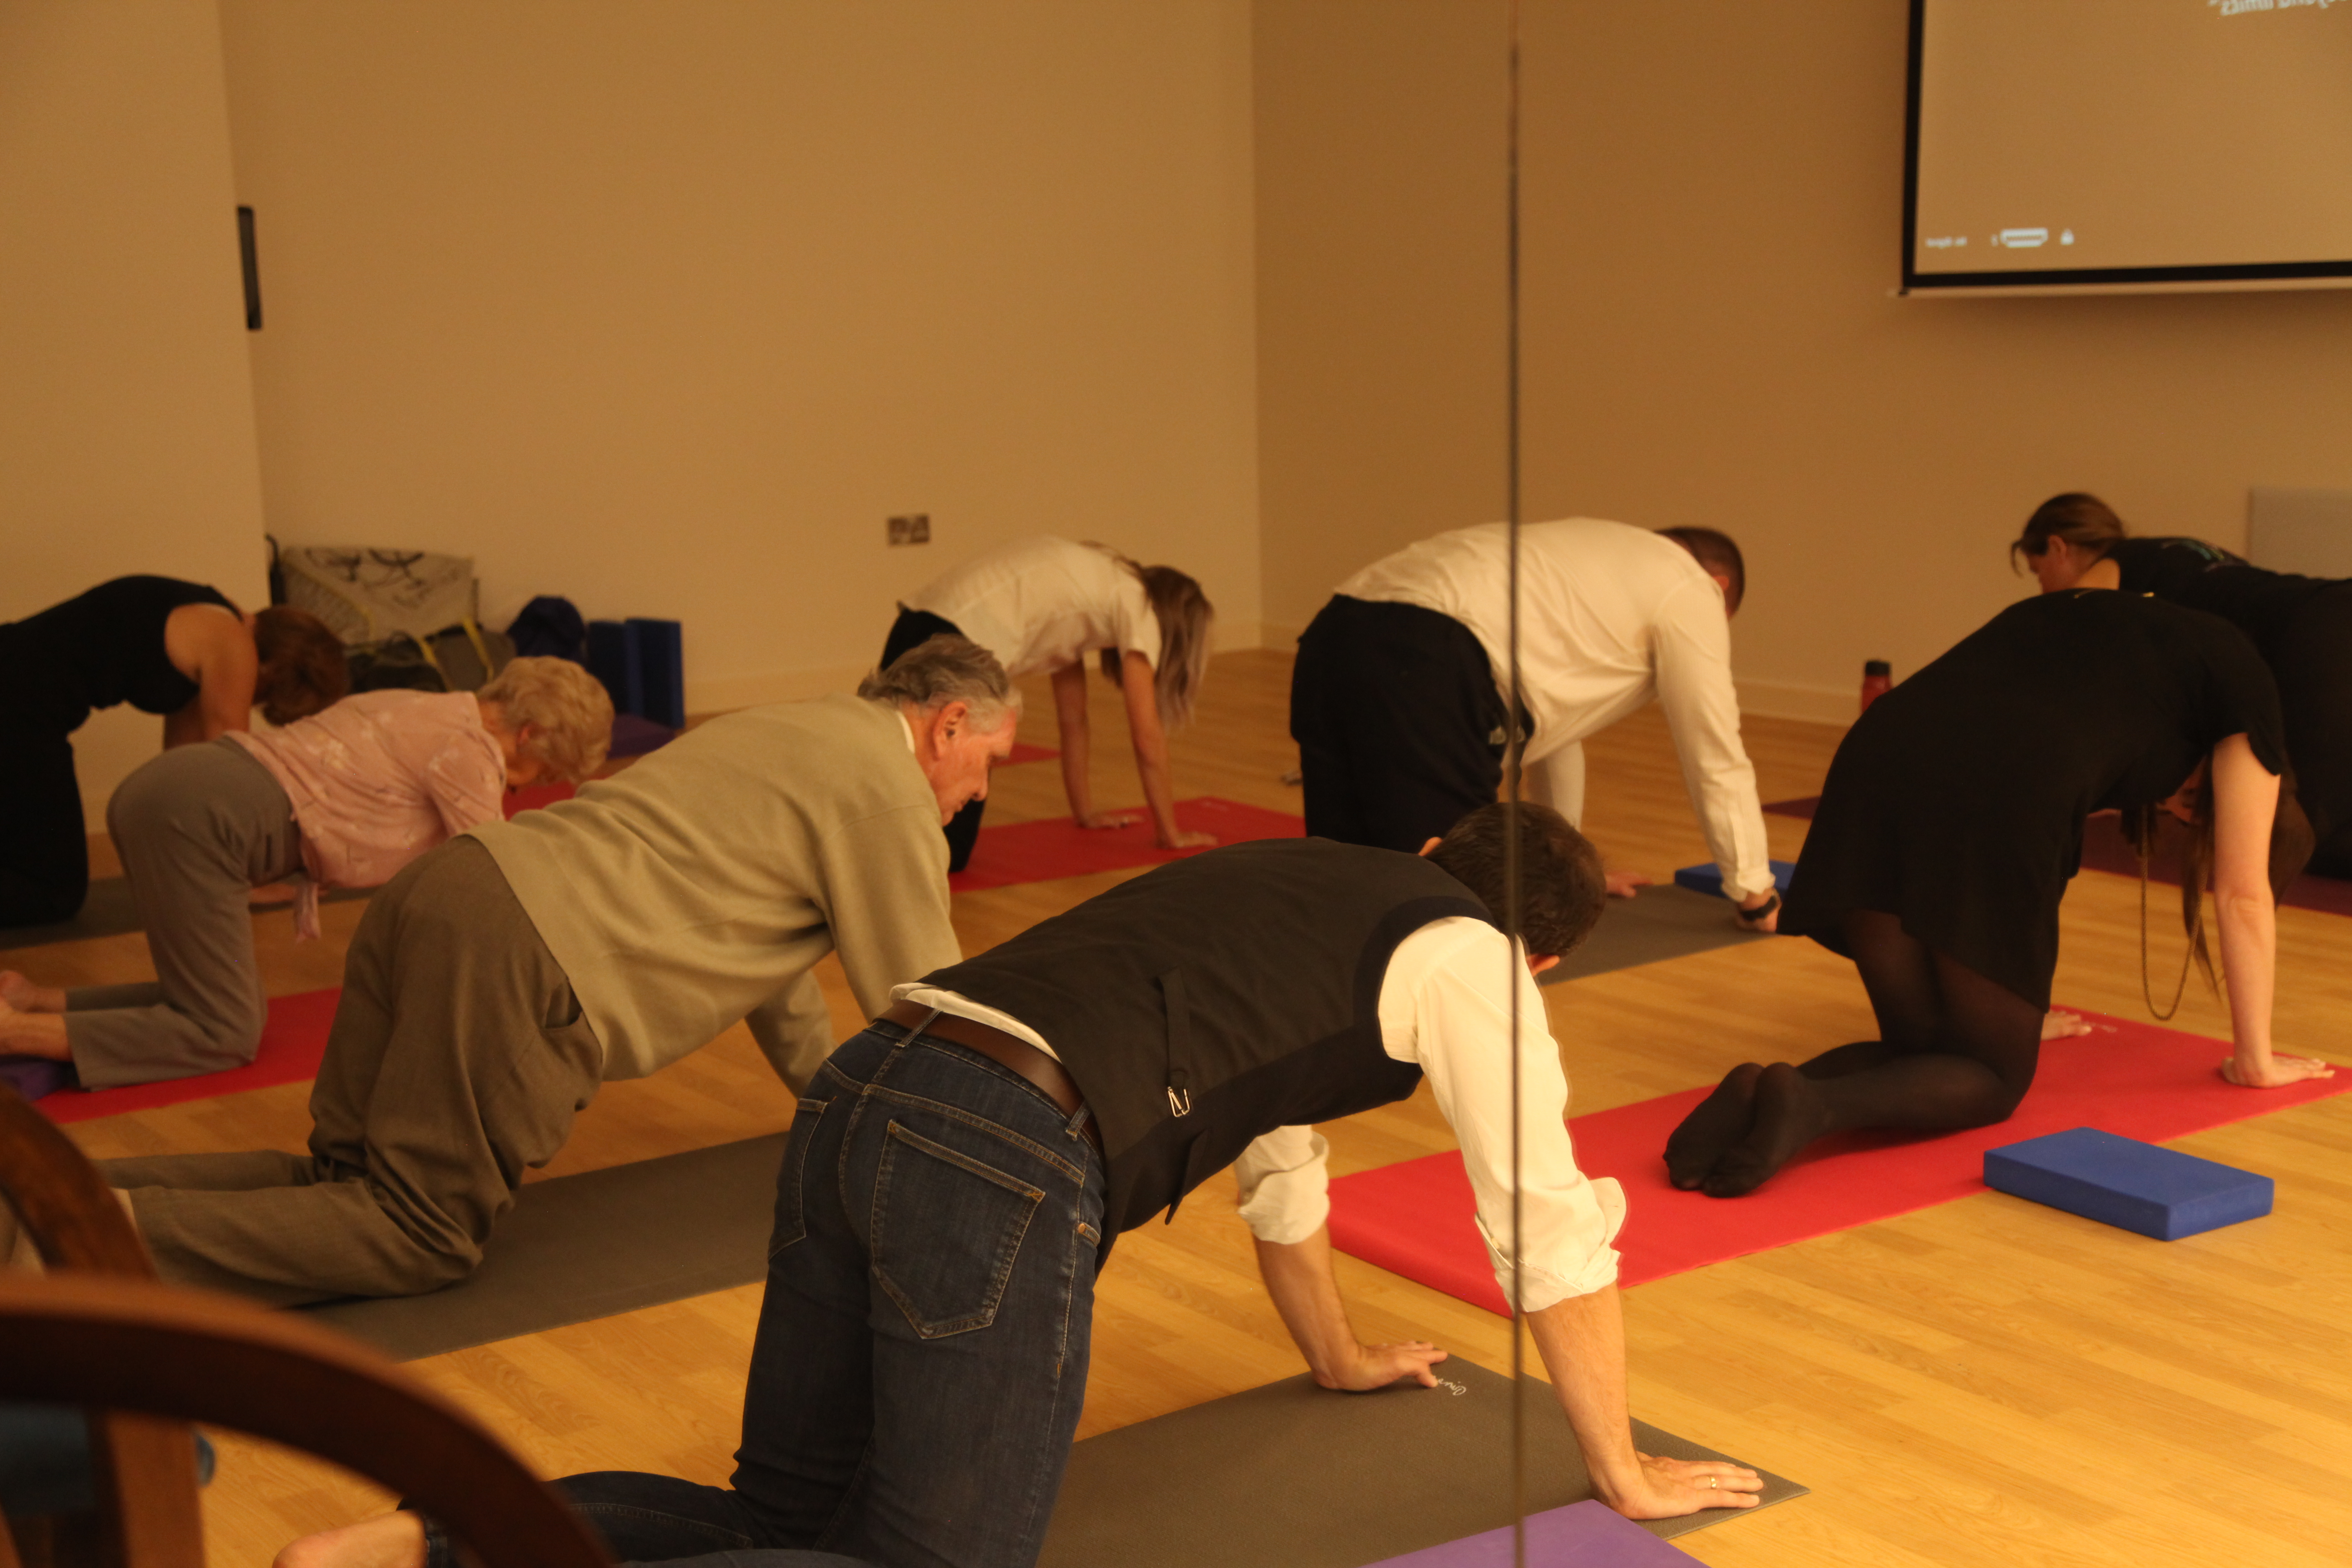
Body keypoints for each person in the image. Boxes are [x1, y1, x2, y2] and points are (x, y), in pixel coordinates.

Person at [275, 802, 1764, 1568]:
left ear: (1438, 845)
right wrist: (1619, 1470)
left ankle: (406, 1545)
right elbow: (1548, 1231)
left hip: (866, 1086)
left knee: (781, 1513)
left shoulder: (1310, 883)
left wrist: (1337, 1353)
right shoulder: (1480, 967)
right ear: (1547, 955)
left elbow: (1281, 1145)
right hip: (1002, 1144)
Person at [91, 636, 1018, 1305]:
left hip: (440, 891)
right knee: (418, 1231)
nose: (981, 791)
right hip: (524, 954)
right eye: (989, 763)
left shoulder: (790, 728)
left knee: (342, 1182)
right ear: (948, 725)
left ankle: (57, 1193)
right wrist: (1005, 1149)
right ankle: (83, 1244)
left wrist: (824, 1100)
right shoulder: (887, 789)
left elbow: (763, 970)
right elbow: (929, 1001)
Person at [1666, 591, 2335, 1200]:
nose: (2172, 807)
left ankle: (1758, 1094)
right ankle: (1810, 1106)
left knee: (1921, 1052)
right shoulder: (2247, 691)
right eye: (2188, 804)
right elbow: (2243, 895)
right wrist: (2255, 1061)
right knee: (1989, 1078)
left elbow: (2024, 760)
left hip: (1877, 758)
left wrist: (2018, 998)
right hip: (1993, 791)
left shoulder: (2106, 627)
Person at [0, 658, 614, 1089]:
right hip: (199, 817)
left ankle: (31, 1001)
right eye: (542, 772)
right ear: (528, 734)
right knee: (224, 1030)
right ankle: (14, 1033)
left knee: (205, 999)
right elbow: (495, 870)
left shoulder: (420, 703)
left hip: (177, 792)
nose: (525, 787)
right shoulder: (472, 749)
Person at [1291, 518, 1779, 929]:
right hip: (1430, 653)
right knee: (1445, 896)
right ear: (1720, 588)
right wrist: (1757, 896)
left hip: (1334, 628)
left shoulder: (1595, 557)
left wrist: (1570, 877)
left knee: (1344, 870)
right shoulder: (1691, 589)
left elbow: (1553, 733)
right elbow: (1714, 754)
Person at [2014, 491, 2352, 879]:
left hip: (2320, 639)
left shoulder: (2118, 563)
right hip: (2335, 604)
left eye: (2040, 573)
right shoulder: (2191, 553)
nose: (2042, 589)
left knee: (2293, 836)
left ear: (2058, 548)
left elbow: (2072, 632)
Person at [0, 577, 346, 926]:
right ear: (275, 671)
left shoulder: (210, 620)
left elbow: (183, 774)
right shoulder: (234, 646)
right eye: (267, 696)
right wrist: (243, 885)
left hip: (17, 696)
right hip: (17, 711)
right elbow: (234, 775)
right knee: (53, 892)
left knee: (28, 862)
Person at [883, 536, 1216, 870]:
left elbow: (1074, 720)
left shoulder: (1092, 592)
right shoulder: (1139, 605)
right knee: (950, 852)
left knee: (889, 750)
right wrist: (1169, 833)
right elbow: (1147, 736)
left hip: (914, 622)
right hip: (953, 636)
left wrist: (1085, 813)